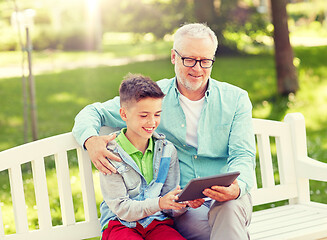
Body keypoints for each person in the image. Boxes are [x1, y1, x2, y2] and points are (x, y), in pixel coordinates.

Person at [73, 23, 256, 240]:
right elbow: (93, 112)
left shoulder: (236, 99)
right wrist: (91, 140)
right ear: (173, 57)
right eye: (189, 59)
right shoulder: (153, 100)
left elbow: (243, 155)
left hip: (229, 198)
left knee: (228, 210)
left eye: (205, 61)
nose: (197, 69)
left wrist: (238, 188)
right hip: (184, 206)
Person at [99, 74, 195, 240]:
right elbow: (122, 208)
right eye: (144, 115)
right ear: (124, 114)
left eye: (157, 114)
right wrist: (159, 203)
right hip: (120, 225)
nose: (152, 122)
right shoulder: (110, 154)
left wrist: (183, 204)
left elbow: (169, 202)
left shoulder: (167, 151)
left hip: (156, 222)